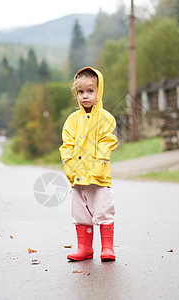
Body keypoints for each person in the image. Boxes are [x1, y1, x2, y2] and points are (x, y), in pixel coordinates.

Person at [59, 67, 118, 261]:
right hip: (77, 177)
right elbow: (66, 146)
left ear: (98, 92)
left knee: (103, 210)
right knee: (80, 213)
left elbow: (106, 144)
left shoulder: (105, 119)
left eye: (90, 91)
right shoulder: (72, 120)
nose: (85, 96)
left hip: (99, 177)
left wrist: (97, 168)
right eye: (81, 92)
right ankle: (84, 248)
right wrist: (69, 167)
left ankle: (107, 248)